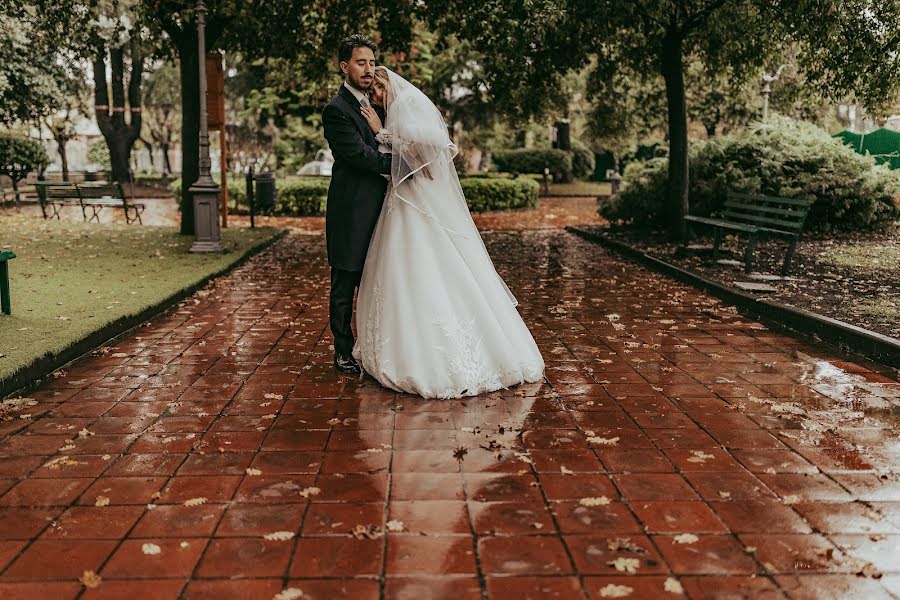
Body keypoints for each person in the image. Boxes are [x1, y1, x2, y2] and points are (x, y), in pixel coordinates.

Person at [351, 66, 545, 399]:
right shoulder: (403, 106)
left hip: (415, 203)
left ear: (384, 87)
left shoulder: (403, 106)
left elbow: (423, 166)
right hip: (402, 203)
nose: (376, 100)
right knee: (404, 273)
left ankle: (435, 361)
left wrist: (382, 134)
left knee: (427, 270)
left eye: (376, 93)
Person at [321, 35, 390, 375]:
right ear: (344, 66)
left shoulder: (378, 105)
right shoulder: (335, 110)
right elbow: (359, 156)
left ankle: (376, 347)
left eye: (371, 63)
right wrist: (403, 164)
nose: (368, 69)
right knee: (345, 282)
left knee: (380, 281)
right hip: (351, 210)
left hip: (385, 209)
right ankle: (343, 351)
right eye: (360, 63)